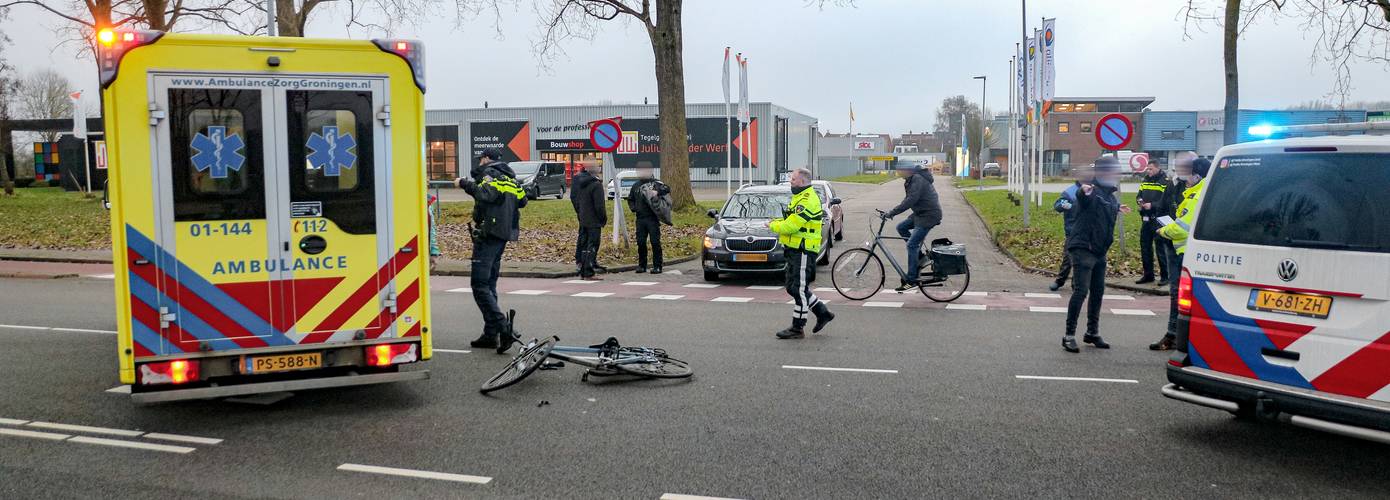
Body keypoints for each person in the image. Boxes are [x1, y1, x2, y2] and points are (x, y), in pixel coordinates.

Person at [455, 148, 528, 353]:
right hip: (504, 234)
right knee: (489, 283)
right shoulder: (511, 179)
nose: (479, 163)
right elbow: (522, 200)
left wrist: (464, 184)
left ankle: (504, 328)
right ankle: (490, 335)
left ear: (486, 159)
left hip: (489, 234)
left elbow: (485, 194)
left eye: (481, 159)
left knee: (479, 284)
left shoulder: (489, 175)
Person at [1062, 156, 1132, 353]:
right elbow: (1086, 198)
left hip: (1099, 251)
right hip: (1084, 248)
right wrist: (1082, 191)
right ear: (1102, 173)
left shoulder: (1109, 195)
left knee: (1098, 291)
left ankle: (1092, 332)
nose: (1116, 175)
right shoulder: (1091, 189)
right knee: (1081, 291)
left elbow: (1104, 204)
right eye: (1112, 171)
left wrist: (1117, 207)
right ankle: (1068, 335)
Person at [1152, 155, 1210, 351]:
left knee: (1181, 294)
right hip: (1174, 244)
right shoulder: (1175, 186)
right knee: (1178, 293)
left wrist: (1167, 230)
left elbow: (1184, 225)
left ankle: (1178, 335)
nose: (1182, 173)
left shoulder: (1197, 192)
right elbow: (1162, 208)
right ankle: (1176, 334)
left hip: (1184, 248)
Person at [769, 168, 834, 339]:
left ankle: (798, 327)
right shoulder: (798, 197)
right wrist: (776, 222)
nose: (791, 181)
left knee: (798, 288)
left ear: (803, 182)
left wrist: (772, 226)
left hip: (804, 250)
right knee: (793, 287)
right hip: (795, 249)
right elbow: (788, 221)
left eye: (793, 179)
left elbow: (791, 226)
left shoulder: (806, 200)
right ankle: (822, 313)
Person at [883, 162, 943, 291]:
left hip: (928, 215)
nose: (898, 172)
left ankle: (911, 280)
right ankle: (920, 257)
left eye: (900, 170)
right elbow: (909, 199)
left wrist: (892, 212)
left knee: (911, 245)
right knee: (901, 227)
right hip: (920, 214)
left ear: (907, 170)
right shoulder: (910, 179)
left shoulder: (917, 179)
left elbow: (911, 199)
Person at [1049, 169, 1092, 291]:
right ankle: (1060, 280)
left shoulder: (1094, 191)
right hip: (1072, 231)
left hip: (1089, 231)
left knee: (1084, 260)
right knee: (1068, 257)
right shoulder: (1070, 192)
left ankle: (1077, 284)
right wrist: (1062, 206)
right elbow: (1057, 206)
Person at [1136, 161, 1174, 286]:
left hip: (1159, 219)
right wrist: (1140, 201)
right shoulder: (1145, 180)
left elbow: (1167, 203)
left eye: (1151, 169)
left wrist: (1152, 205)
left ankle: (1165, 276)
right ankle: (1148, 275)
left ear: (1158, 168)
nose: (1148, 171)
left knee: (1160, 249)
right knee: (1145, 247)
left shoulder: (1166, 182)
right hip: (1146, 219)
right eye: (1147, 169)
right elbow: (1139, 195)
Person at [627, 168, 670, 274]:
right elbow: (630, 199)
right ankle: (642, 265)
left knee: (655, 242)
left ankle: (657, 266)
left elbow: (667, 189)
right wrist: (634, 208)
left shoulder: (656, 183)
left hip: (652, 219)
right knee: (641, 242)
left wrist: (657, 192)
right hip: (640, 218)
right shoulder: (636, 185)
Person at [569, 163, 606, 279]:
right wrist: (603, 219)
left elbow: (576, 199)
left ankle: (583, 269)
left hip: (584, 217)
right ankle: (589, 271)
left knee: (584, 244)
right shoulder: (596, 185)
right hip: (594, 219)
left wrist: (580, 213)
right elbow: (599, 206)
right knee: (593, 244)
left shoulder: (581, 184)